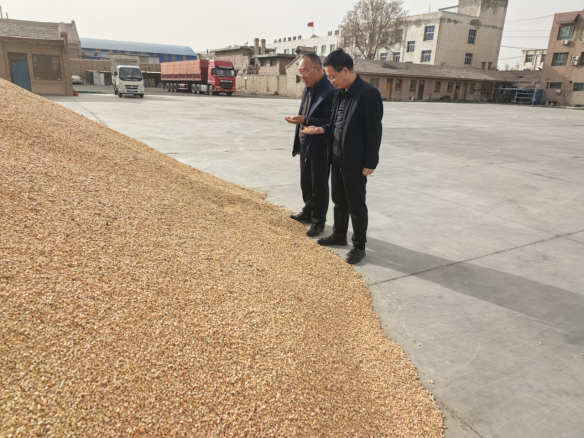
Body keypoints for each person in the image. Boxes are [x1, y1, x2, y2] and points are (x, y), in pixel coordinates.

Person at [302, 49, 383, 264]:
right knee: (339, 200)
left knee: (356, 204)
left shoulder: (367, 94)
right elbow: (335, 123)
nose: (331, 81)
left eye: (332, 76)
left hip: (356, 161)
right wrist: (320, 129)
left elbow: (374, 131)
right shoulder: (340, 94)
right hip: (336, 156)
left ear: (345, 70)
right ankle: (339, 235)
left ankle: (359, 245)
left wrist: (370, 162)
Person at [284, 52, 337, 237]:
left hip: (320, 146)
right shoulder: (307, 88)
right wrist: (298, 140)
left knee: (319, 185)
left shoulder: (330, 91)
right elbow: (303, 114)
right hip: (305, 142)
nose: (303, 76)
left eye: (305, 71)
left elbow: (331, 121)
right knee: (306, 182)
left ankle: (318, 221)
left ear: (318, 69)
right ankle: (307, 212)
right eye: (300, 72)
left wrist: (306, 120)